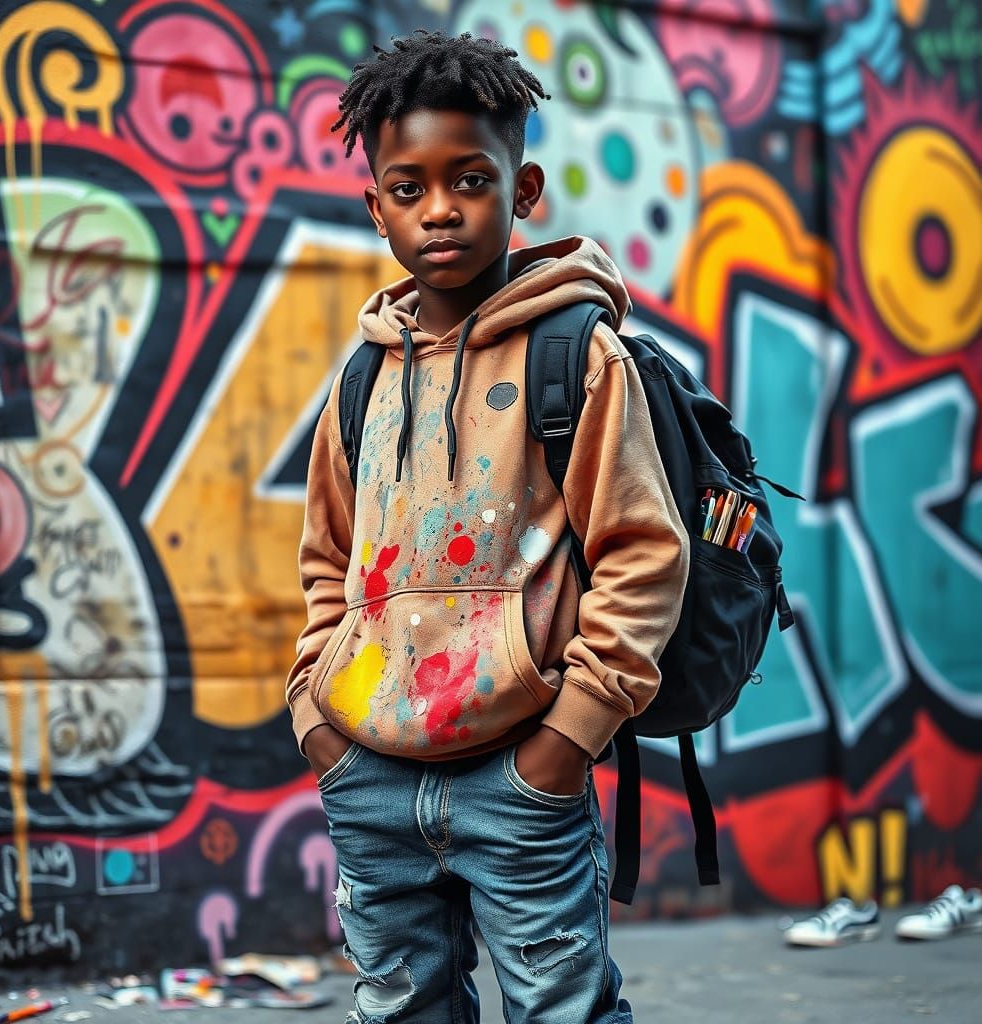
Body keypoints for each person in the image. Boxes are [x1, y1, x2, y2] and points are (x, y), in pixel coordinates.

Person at [286, 29, 689, 1024]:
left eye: (469, 179)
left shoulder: (579, 357)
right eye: (408, 187)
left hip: (521, 776)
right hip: (370, 776)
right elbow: (325, 563)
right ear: (376, 203)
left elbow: (642, 553)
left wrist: (569, 736)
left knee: (561, 1010)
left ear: (523, 187)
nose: (439, 211)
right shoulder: (360, 381)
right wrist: (314, 714)